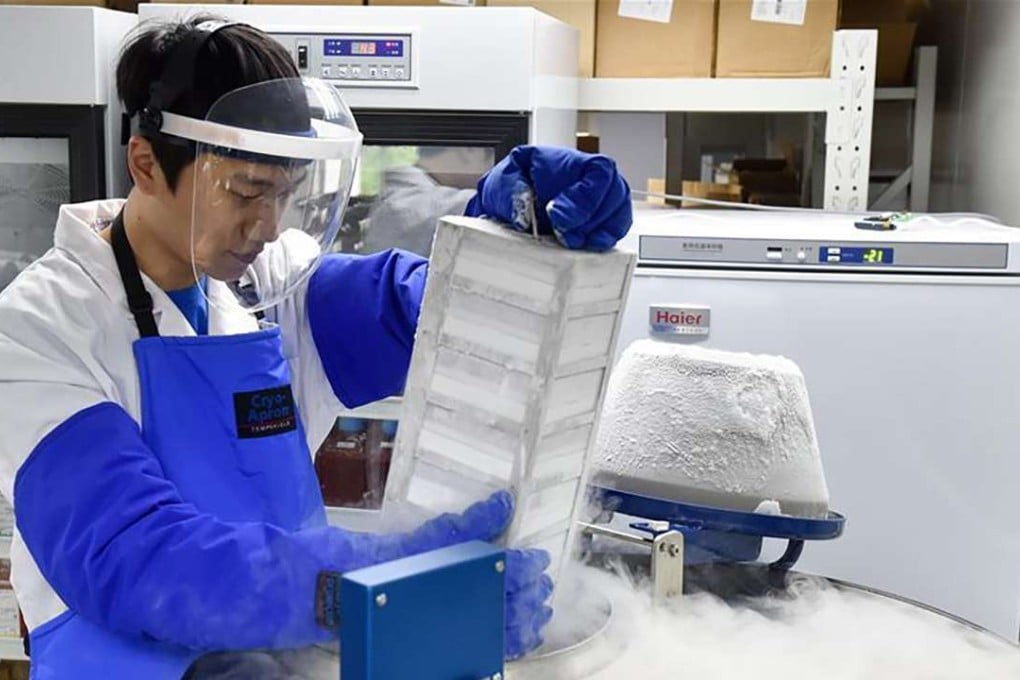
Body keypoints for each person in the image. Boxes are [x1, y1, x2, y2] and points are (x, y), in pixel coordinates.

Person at [0, 16, 632, 680]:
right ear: (146, 164)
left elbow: (420, 311)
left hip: (286, 657)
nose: (268, 226)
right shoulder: (39, 329)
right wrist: (369, 583)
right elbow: (133, 556)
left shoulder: (266, 284)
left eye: (285, 194)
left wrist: (513, 234)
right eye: (246, 192)